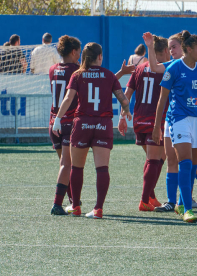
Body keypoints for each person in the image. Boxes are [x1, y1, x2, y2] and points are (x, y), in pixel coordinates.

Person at [143, 31, 197, 212]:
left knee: (192, 165)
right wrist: (156, 126)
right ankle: (183, 207)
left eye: (173, 46)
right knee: (184, 163)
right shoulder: (173, 68)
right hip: (178, 119)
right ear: (189, 49)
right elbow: (162, 98)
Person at [52, 42, 132, 219]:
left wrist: (58, 119)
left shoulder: (78, 75)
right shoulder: (109, 75)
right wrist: (126, 112)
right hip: (103, 124)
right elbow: (123, 99)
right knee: (102, 168)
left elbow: (68, 98)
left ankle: (76, 206)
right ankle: (98, 209)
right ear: (100, 57)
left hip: (83, 124)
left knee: (77, 167)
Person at [118, 34, 170, 212]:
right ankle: (144, 200)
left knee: (154, 159)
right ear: (164, 51)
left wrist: (122, 116)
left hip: (139, 120)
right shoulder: (166, 69)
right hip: (156, 120)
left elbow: (127, 93)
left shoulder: (139, 68)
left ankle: (151, 196)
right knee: (156, 160)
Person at [49, 35, 82, 215]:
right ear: (73, 51)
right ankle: (57, 203)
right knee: (67, 165)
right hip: (68, 121)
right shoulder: (77, 70)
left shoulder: (53, 69)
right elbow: (99, 81)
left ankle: (72, 200)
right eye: (79, 51)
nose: (80, 55)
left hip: (54, 121)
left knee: (65, 164)